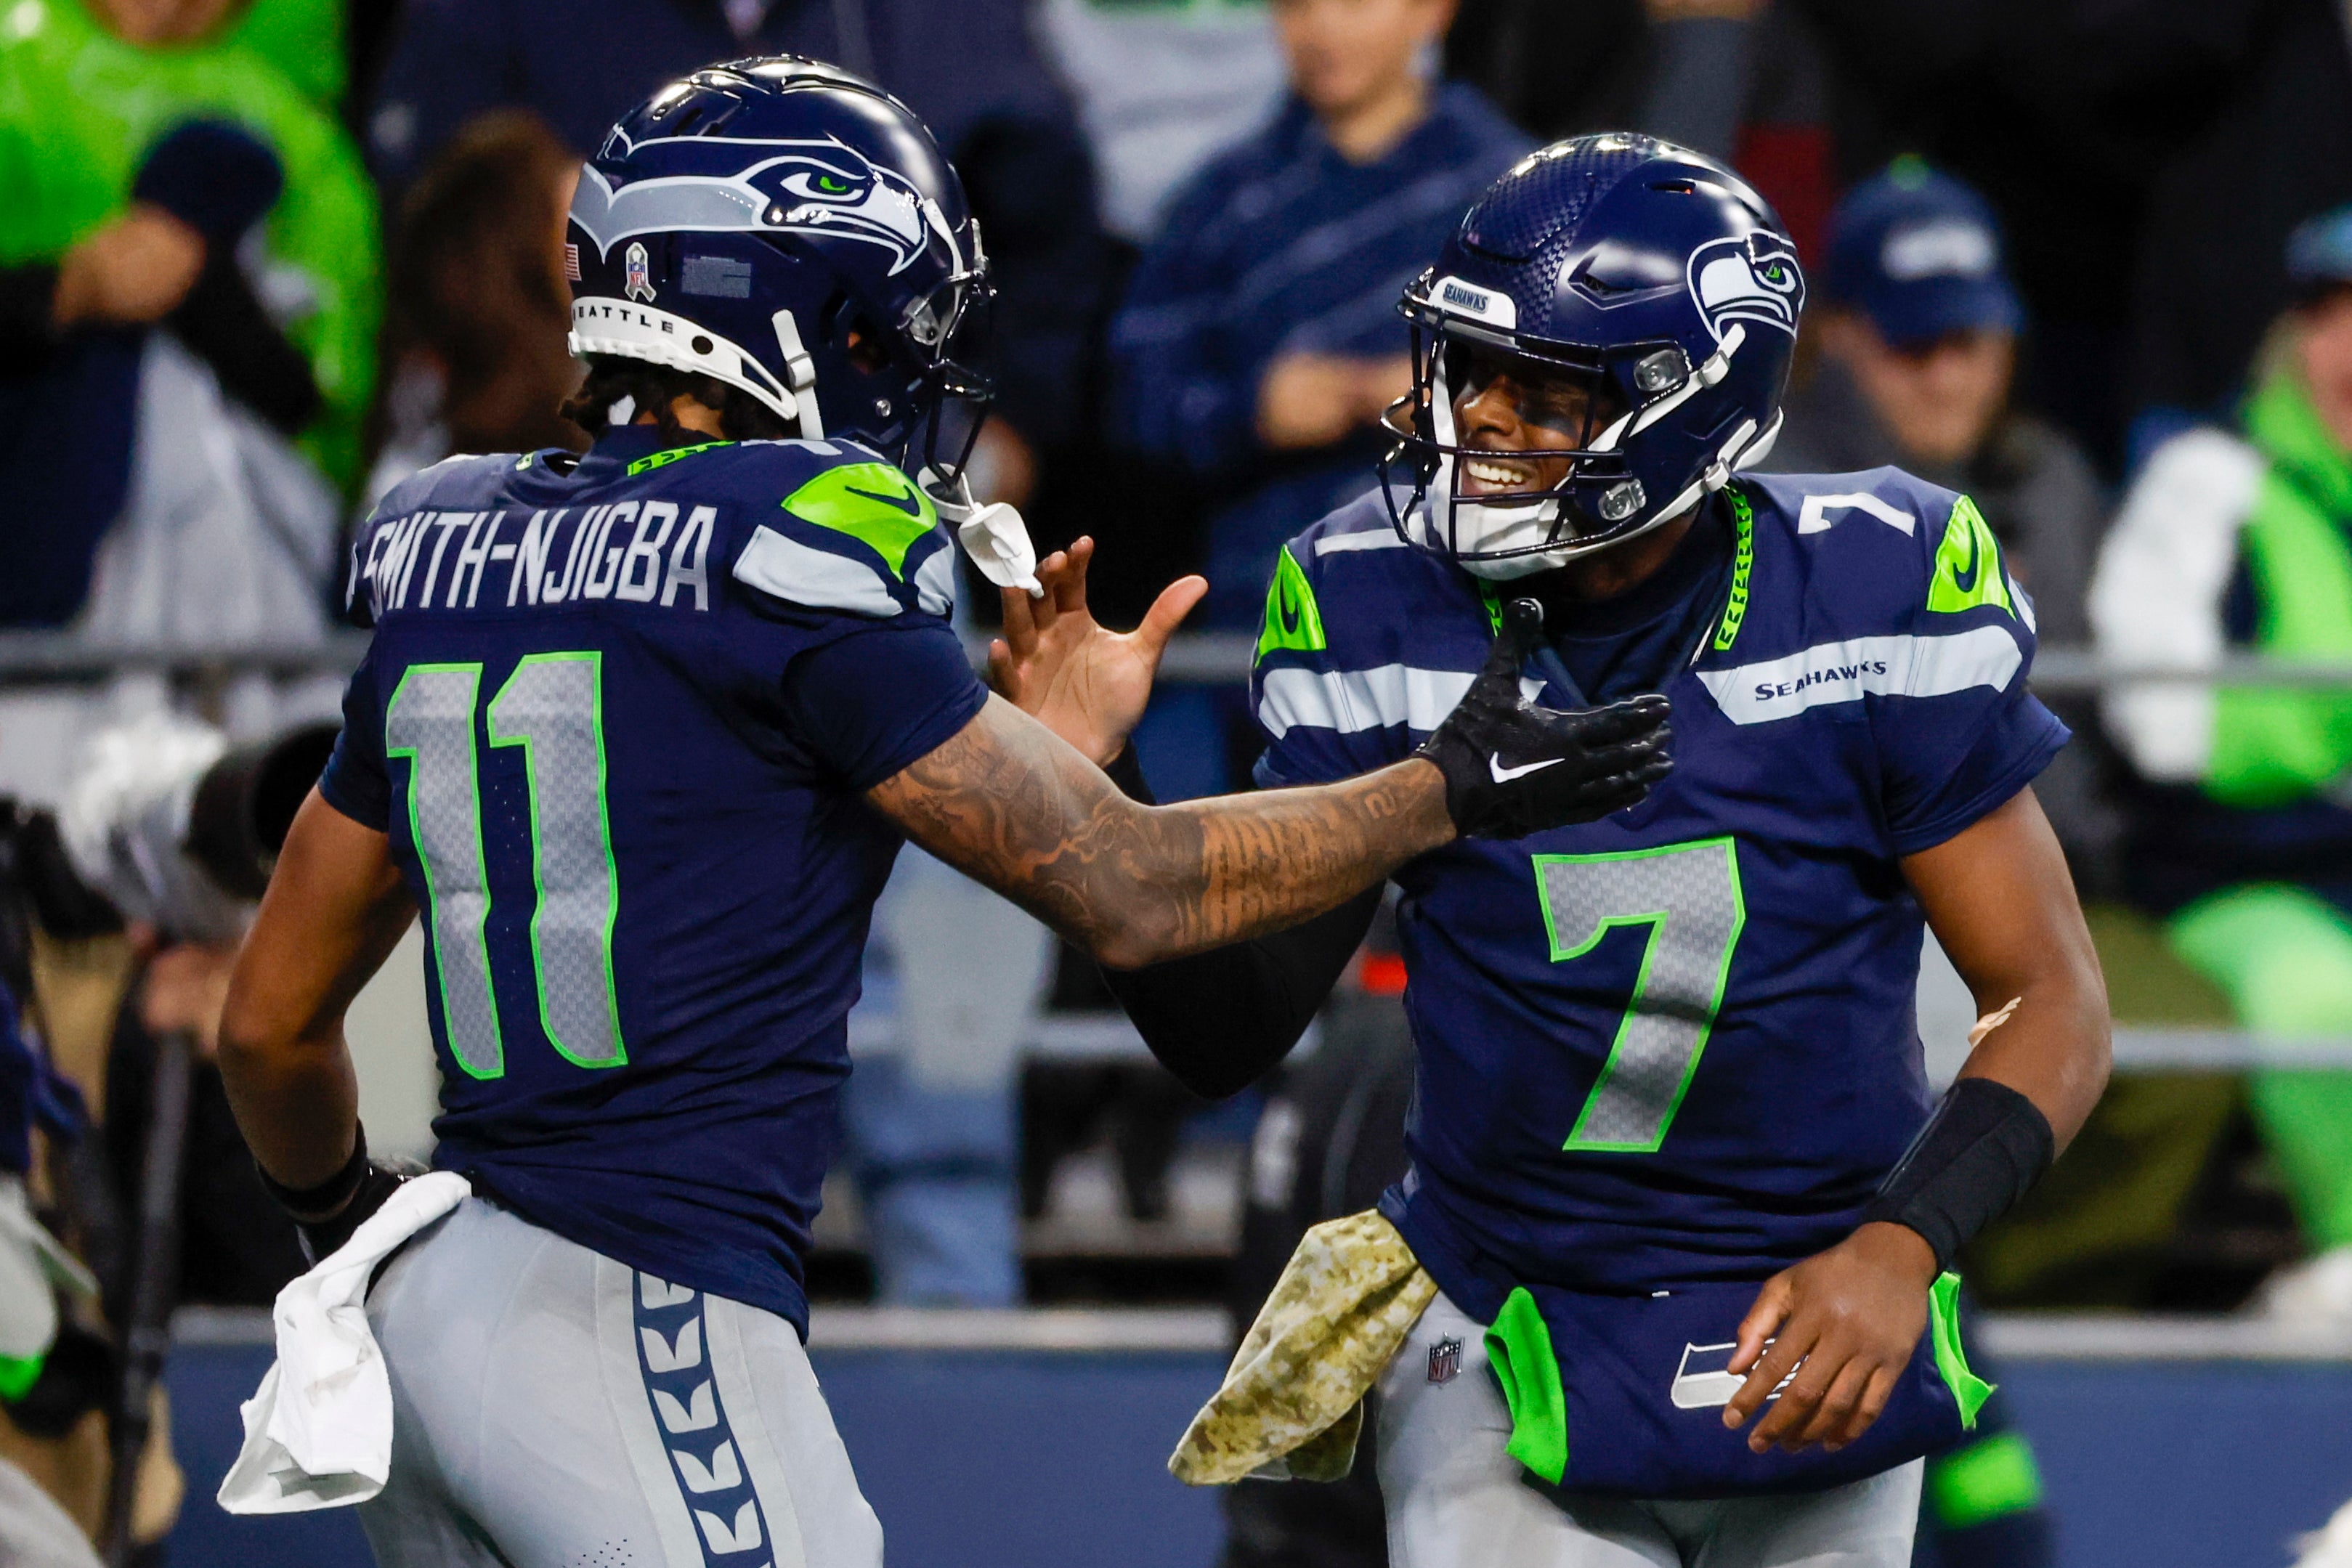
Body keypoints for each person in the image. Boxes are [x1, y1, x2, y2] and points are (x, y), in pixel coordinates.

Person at [209, 60, 1674, 1567]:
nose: (900, 371)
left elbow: (266, 1021)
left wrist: (346, 1219)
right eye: (875, 328)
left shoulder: (449, 541)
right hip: (641, 1305)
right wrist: (1435, 788)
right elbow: (1134, 894)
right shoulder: (788, 543)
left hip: (432, 1302)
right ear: (777, 311)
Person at [997, 134, 2109, 1567]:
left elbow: (2051, 996)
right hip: (1505, 1304)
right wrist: (1096, 778)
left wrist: (1901, 1246)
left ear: (1683, 406)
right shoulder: (1371, 596)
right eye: (1467, 370)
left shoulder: (1869, 586)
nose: (1476, 421)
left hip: (1807, 1311)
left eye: (1539, 391)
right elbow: (1229, 1029)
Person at [2092, 201, 2352, 1328]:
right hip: (2239, 876)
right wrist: (2322, 732)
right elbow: (2160, 720)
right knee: (2318, 997)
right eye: (2329, 316)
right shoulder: (2207, 474)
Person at [1108, 0, 1530, 639]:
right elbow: (1131, 399)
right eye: (1298, 6)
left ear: (1432, 13)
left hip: (1483, 620)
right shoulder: (1220, 205)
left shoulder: (1516, 194)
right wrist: (1248, 412)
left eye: (1356, 4)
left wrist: (1469, 402)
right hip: (1270, 632)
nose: (1325, 30)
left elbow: (1602, 393)